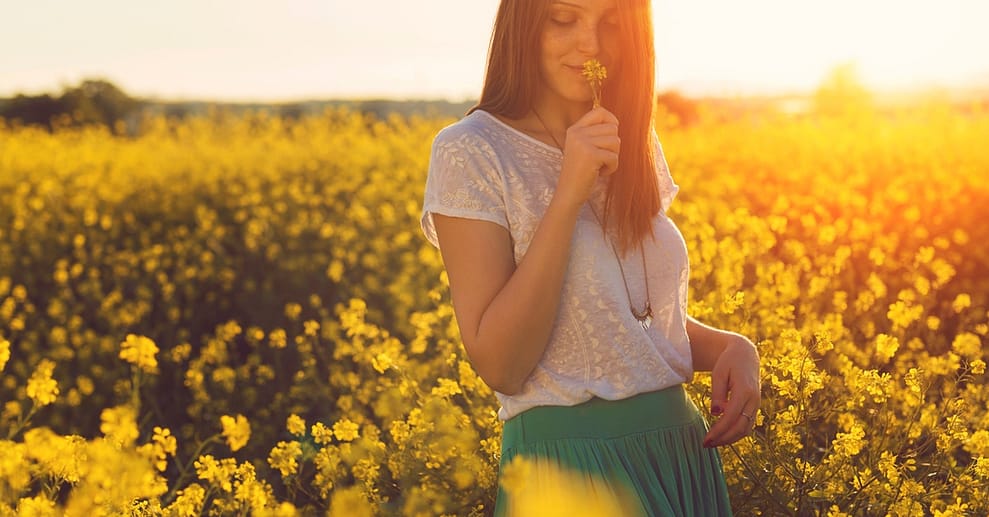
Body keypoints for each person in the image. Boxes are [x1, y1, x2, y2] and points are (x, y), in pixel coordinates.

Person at [420, 0, 761, 515]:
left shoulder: (631, 138)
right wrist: (568, 194)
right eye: (564, 18)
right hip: (571, 466)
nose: (592, 45)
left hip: (677, 453)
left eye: (612, 24)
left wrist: (731, 348)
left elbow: (620, 322)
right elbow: (502, 365)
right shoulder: (471, 152)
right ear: (524, 22)